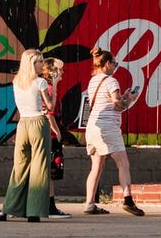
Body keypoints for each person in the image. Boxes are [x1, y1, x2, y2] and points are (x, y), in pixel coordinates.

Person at [82, 47, 144, 216]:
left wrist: (123, 97)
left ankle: (89, 203)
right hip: (108, 126)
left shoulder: (93, 80)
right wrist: (129, 100)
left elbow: (108, 103)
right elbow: (117, 106)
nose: (116, 67)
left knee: (96, 166)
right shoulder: (111, 81)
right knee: (123, 164)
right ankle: (128, 200)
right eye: (115, 63)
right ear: (107, 64)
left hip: (93, 126)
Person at [0, 49, 53, 223]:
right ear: (31, 64)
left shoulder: (16, 82)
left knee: (19, 168)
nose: (42, 65)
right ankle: (34, 211)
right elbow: (50, 105)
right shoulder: (41, 82)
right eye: (39, 62)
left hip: (22, 125)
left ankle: (6, 209)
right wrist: (55, 84)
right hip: (37, 123)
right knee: (39, 168)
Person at [41, 58, 70, 219]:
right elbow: (49, 112)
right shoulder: (49, 88)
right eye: (60, 70)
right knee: (51, 170)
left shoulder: (47, 87)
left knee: (49, 171)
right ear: (53, 72)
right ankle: (50, 206)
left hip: (47, 133)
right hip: (50, 135)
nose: (63, 72)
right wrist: (57, 131)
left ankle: (49, 205)